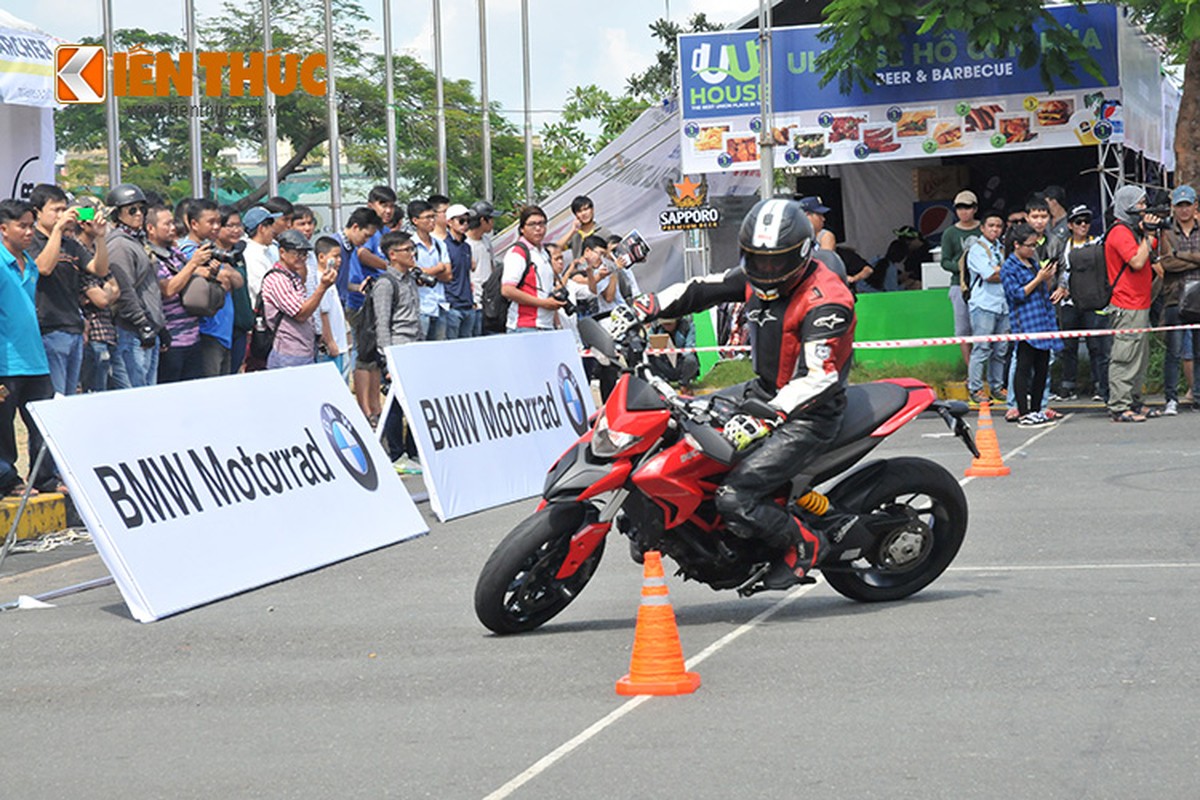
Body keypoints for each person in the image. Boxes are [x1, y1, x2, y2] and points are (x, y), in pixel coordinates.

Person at [614, 198, 857, 590]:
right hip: (761, 392)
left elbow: (819, 377)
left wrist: (767, 416)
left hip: (809, 415)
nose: (766, 270)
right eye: (758, 260)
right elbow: (699, 288)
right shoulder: (755, 275)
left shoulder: (826, 301)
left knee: (735, 497)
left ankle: (803, 545)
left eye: (776, 262)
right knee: (676, 429)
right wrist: (645, 306)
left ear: (801, 254)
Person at [29, 183, 110, 397]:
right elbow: (43, 268)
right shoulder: (32, 240)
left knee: (70, 396)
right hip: (49, 328)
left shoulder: (71, 244)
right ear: (37, 212)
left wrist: (100, 237)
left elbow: (99, 269)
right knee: (56, 398)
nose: (61, 215)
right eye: (55, 210)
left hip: (74, 329)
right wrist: (56, 230)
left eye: (64, 209)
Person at [0, 199, 59, 495]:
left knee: (42, 423)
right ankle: (7, 480)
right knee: (3, 425)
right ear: (3, 228)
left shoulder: (30, 264)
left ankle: (45, 477)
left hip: (35, 358)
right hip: (5, 361)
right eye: (21, 226)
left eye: (30, 225)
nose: (28, 232)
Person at [1105, 185, 1163, 422]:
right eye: (1140, 204)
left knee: (1140, 358)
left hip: (1140, 302)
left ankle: (1135, 401)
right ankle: (1119, 406)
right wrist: (1148, 236)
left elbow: (1152, 256)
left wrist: (1150, 233)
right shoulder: (1119, 232)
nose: (1144, 208)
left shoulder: (1133, 231)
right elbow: (1137, 261)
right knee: (1125, 357)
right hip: (1126, 304)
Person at [373, 230, 424, 473]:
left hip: (415, 345)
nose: (412, 254)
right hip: (397, 346)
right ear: (393, 255)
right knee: (395, 404)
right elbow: (382, 323)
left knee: (414, 402)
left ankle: (414, 451)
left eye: (413, 249)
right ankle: (396, 453)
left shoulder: (411, 279)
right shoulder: (386, 283)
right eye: (407, 250)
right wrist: (387, 360)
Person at [1001, 223, 1062, 426]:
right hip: (1025, 322)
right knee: (1024, 367)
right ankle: (1024, 410)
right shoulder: (1009, 267)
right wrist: (1038, 279)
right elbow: (1017, 294)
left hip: (1042, 319)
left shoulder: (1033, 262)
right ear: (1017, 245)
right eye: (1030, 245)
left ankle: (1037, 409)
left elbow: (1041, 290)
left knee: (1042, 367)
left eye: (1035, 245)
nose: (1033, 249)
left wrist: (1047, 278)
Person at [106, 183, 166, 388]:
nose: (139, 214)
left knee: (149, 394)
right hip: (133, 331)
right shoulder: (119, 244)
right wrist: (142, 323)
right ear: (116, 213)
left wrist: (159, 325)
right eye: (132, 210)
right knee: (137, 395)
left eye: (142, 209)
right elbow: (124, 289)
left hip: (150, 327)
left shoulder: (137, 240)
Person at [179, 198, 242, 377]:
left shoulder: (211, 249)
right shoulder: (188, 251)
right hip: (207, 332)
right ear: (193, 224)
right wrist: (220, 274)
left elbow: (237, 280)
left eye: (218, 222)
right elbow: (224, 278)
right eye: (211, 222)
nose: (216, 227)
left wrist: (221, 274)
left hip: (224, 332)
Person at [146, 204, 208, 383]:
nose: (173, 228)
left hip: (193, 336)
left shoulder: (175, 252)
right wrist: (193, 264)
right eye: (167, 224)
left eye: (173, 223)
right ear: (151, 228)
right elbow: (168, 289)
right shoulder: (150, 256)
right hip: (172, 341)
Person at [1055, 204, 1109, 403]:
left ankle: (1099, 385)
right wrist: (1060, 288)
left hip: (1092, 301)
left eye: (1087, 221)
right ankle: (1067, 385)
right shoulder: (1062, 246)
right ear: (1070, 225)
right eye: (1078, 222)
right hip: (1068, 303)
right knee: (1068, 346)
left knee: (1096, 346)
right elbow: (1058, 270)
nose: (1083, 225)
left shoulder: (1097, 244)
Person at [260, 230, 336, 369]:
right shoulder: (278, 279)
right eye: (297, 253)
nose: (301, 258)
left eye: (304, 254)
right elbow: (300, 314)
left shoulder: (292, 276)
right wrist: (322, 287)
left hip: (303, 351)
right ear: (282, 252)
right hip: (288, 354)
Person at [73, 197, 124, 391]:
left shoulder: (96, 250)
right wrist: (106, 292)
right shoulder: (75, 250)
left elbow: (115, 288)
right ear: (84, 222)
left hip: (108, 332)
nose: (103, 221)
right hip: (92, 335)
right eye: (97, 216)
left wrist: (106, 292)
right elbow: (102, 299)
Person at [1159, 185, 1200, 414]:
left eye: (1187, 205)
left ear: (1195, 206)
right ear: (1173, 208)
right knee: (1173, 351)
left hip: (1198, 295)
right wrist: (1194, 260)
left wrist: (1181, 256)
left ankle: (1198, 395)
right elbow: (1166, 263)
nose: (1183, 210)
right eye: (1179, 205)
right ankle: (1171, 398)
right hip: (1175, 295)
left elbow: (1175, 260)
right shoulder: (1167, 232)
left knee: (1198, 350)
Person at [965, 210, 1009, 403]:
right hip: (984, 304)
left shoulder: (1002, 248)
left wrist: (1002, 271)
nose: (995, 229)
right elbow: (989, 275)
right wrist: (1007, 272)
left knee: (1000, 349)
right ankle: (975, 388)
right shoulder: (977, 249)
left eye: (998, 226)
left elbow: (1003, 272)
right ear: (982, 228)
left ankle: (997, 387)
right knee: (982, 348)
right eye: (991, 225)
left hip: (1003, 304)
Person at [502, 206, 564, 332]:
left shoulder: (544, 252)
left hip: (546, 324)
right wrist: (543, 303)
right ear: (522, 229)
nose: (538, 228)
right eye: (532, 224)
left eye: (542, 223)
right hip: (525, 325)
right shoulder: (517, 253)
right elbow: (507, 290)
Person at [940, 190, 982, 367]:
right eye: (959, 208)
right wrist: (960, 267)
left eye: (968, 207)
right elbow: (944, 261)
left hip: (984, 284)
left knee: (984, 329)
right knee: (963, 330)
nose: (964, 211)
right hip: (959, 285)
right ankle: (970, 369)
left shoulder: (984, 228)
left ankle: (988, 370)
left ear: (975, 208)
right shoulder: (950, 233)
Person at [214, 206, 253, 374]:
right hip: (220, 329)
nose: (236, 230)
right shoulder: (211, 255)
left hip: (240, 327)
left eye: (239, 225)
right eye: (230, 226)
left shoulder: (238, 253)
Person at [406, 199, 451, 341]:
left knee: (439, 351)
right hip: (420, 307)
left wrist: (426, 272)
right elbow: (413, 274)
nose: (432, 221)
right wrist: (438, 268)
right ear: (415, 220)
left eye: (433, 217)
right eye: (427, 217)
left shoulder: (440, 244)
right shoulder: (409, 245)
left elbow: (448, 275)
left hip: (440, 304)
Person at [441, 203, 477, 339]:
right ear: (449, 222)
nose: (465, 224)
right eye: (461, 221)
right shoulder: (444, 246)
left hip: (468, 303)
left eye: (468, 221)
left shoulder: (466, 247)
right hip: (452, 304)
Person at [646, 316, 700, 389]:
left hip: (681, 360)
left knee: (690, 359)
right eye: (664, 324)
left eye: (670, 324)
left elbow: (690, 346)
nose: (667, 326)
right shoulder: (655, 327)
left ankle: (684, 383)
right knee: (648, 359)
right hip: (663, 361)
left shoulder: (687, 325)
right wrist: (653, 349)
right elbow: (648, 344)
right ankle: (664, 383)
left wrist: (677, 352)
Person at [556, 194, 609, 261]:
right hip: (580, 270)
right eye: (579, 211)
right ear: (576, 215)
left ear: (592, 210)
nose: (583, 213)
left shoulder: (602, 231)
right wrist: (572, 231)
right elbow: (555, 249)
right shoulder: (574, 235)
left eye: (586, 209)